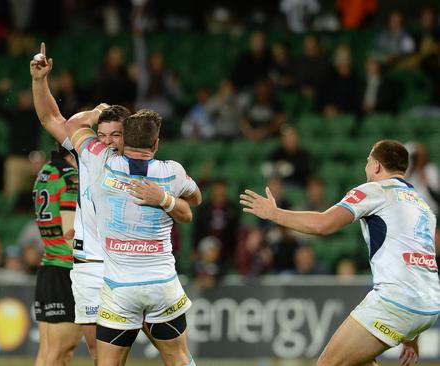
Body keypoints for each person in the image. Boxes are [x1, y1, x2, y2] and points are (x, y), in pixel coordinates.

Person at [30, 43, 193, 363]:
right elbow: (51, 117)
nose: (104, 141)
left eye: (113, 135)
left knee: (171, 352)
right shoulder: (89, 153)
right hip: (93, 269)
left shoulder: (151, 170)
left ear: (129, 135)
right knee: (99, 355)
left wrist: (167, 200)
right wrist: (40, 81)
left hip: (137, 270)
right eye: (100, 133)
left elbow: (187, 207)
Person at [240, 140, 440, 366]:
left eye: (367, 162)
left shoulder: (376, 190)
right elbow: (420, 263)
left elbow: (323, 225)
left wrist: (275, 214)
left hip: (396, 301)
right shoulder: (423, 206)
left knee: (328, 364)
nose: (366, 168)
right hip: (429, 305)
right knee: (358, 360)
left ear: (375, 165)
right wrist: (412, 335)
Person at [65, 108, 202, 366]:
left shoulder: (101, 161)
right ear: (156, 143)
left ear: (124, 140)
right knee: (180, 359)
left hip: (120, 290)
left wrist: (98, 111)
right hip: (162, 286)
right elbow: (195, 199)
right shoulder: (172, 171)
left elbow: (73, 124)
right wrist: (164, 198)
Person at [32, 145, 81, 366]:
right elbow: (71, 238)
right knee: (60, 353)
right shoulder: (70, 177)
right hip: (66, 271)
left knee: (48, 354)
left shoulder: (47, 171)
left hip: (49, 268)